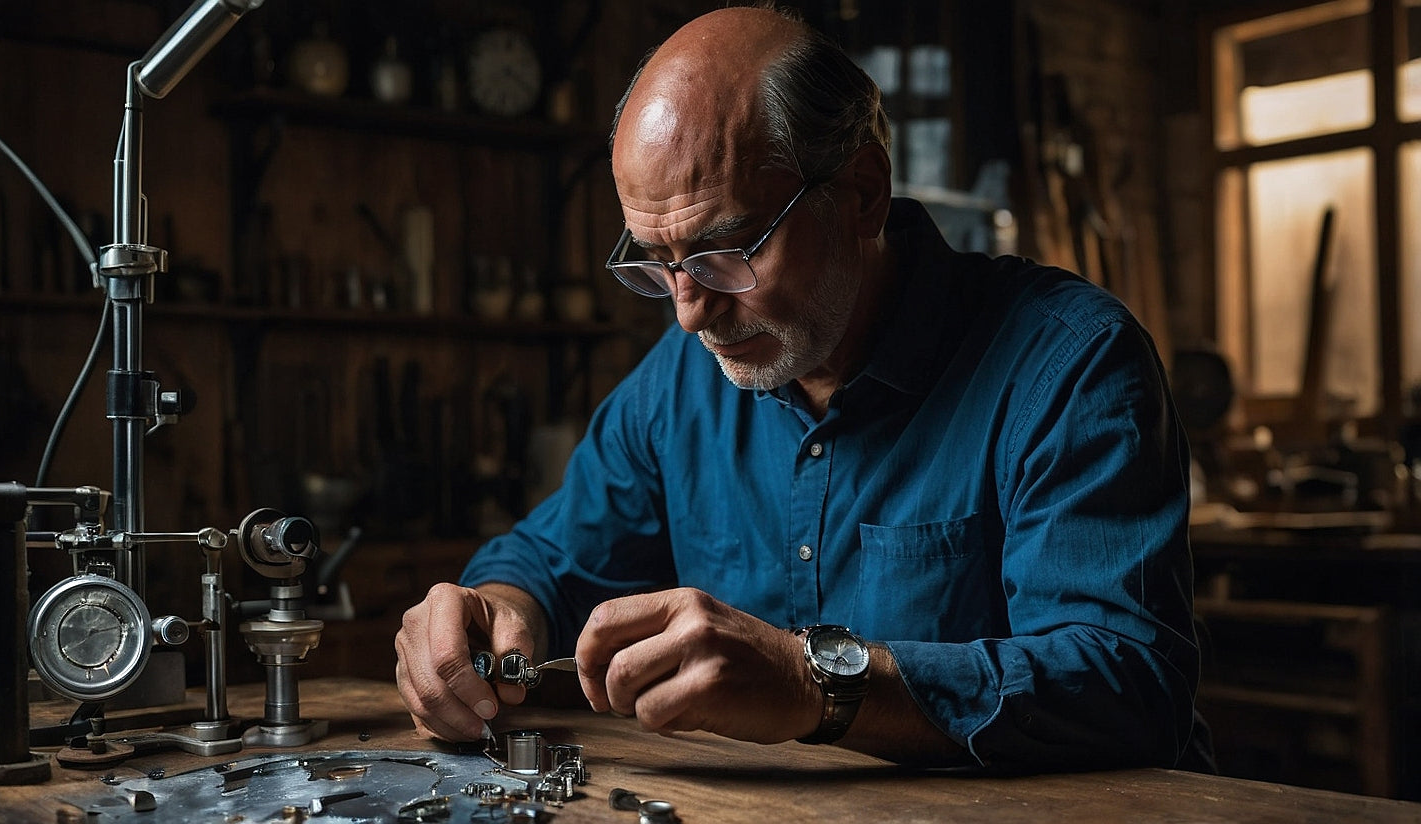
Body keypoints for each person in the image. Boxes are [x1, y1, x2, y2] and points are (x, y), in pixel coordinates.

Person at [396, 4, 1210, 771]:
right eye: (656, 262)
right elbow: (550, 561)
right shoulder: (683, 383)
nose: (690, 313)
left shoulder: (1069, 363)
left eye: (727, 250)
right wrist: (489, 610)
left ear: (861, 192)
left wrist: (814, 684)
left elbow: (1129, 685)